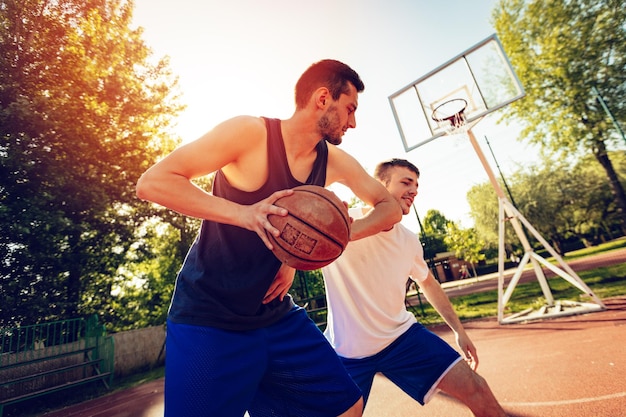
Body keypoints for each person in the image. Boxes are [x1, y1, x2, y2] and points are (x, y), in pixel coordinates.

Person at [136, 60, 402, 417]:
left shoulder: (333, 161)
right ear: (323, 98)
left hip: (273, 314)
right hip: (209, 315)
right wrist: (244, 214)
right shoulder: (249, 133)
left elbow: (390, 208)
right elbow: (153, 182)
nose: (352, 122)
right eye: (350, 109)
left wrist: (338, 236)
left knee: (346, 407)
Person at [321, 158, 508, 417]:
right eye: (406, 182)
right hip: (346, 351)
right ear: (378, 186)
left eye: (417, 186)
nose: (414, 190)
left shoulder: (409, 241)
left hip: (402, 338)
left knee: (478, 389)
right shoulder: (340, 220)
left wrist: (459, 331)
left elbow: (429, 283)